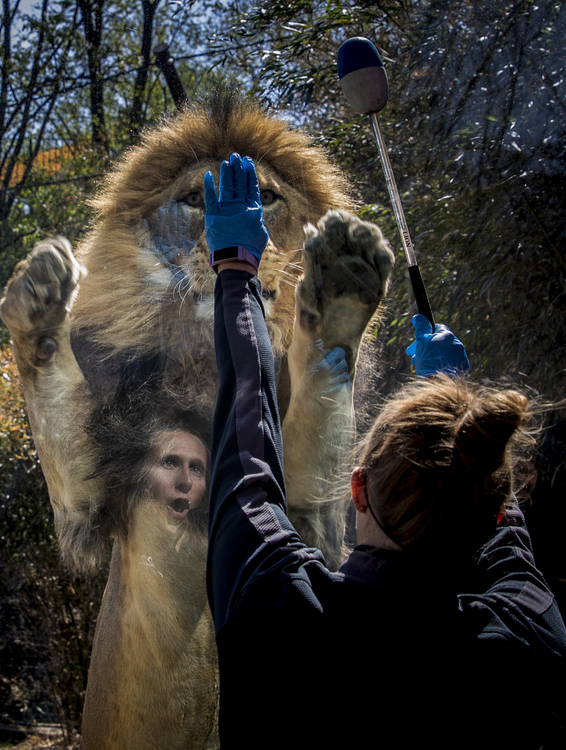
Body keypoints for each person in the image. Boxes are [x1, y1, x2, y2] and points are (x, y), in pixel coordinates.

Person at [205, 154, 566, 749]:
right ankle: (322, 359)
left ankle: (319, 358)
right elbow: (247, 467)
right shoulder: (526, 641)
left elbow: (244, 440)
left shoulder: (282, 617)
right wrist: (236, 269)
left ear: (358, 491)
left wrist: (236, 272)